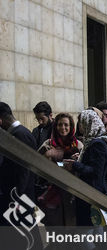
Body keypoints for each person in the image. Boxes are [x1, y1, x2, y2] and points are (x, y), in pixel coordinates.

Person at [63, 110, 107, 226]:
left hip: (92, 195)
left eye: (81, 122)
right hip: (92, 194)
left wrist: (74, 165)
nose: (79, 125)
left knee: (88, 232)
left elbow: (95, 171)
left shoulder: (97, 143)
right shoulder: (94, 141)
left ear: (88, 123)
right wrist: (80, 158)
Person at [0, 102, 43, 250]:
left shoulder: (20, 135)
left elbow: (24, 170)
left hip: (20, 197)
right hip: (20, 196)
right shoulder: (21, 132)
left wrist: (17, 198)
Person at [38, 113, 83, 226]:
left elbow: (84, 169)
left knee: (70, 226)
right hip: (52, 193)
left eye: (66, 125)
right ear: (55, 126)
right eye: (60, 125)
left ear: (71, 127)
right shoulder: (48, 145)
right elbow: (38, 164)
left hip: (72, 194)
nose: (63, 128)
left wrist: (77, 162)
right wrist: (47, 156)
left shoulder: (78, 146)